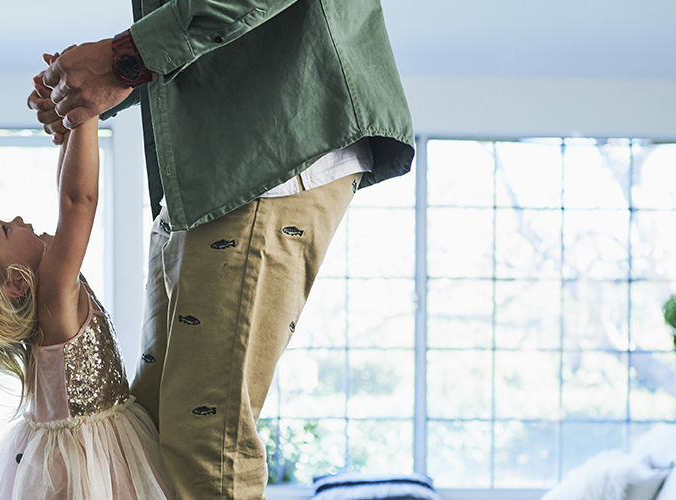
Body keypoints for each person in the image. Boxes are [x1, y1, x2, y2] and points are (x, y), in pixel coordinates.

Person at [27, 0, 416, 498]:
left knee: (205, 443)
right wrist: (94, 85)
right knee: (159, 433)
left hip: (265, 154)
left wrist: (120, 60)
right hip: (216, 171)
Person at [0, 102, 174, 500]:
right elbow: (78, 202)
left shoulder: (43, 310)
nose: (21, 219)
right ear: (15, 283)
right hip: (95, 466)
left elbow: (67, 194)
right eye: (6, 230)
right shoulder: (56, 291)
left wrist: (68, 129)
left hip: (79, 457)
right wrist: (86, 110)